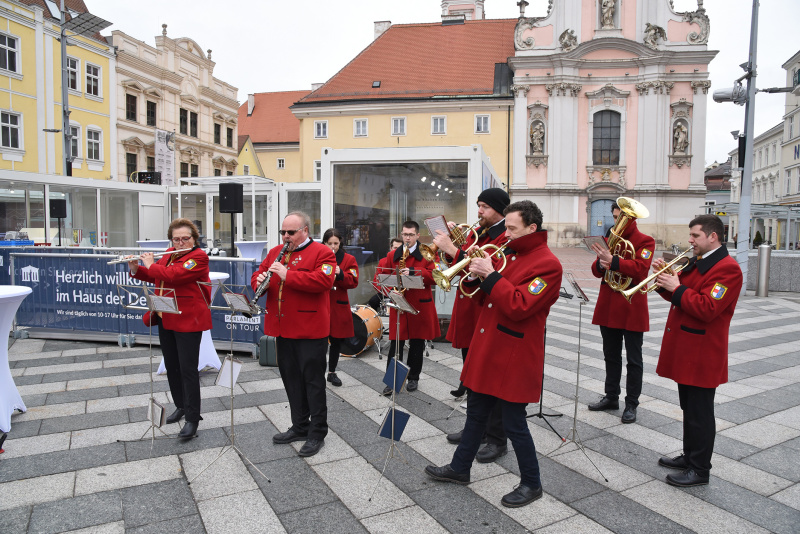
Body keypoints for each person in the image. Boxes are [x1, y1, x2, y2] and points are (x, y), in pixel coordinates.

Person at [425, 201, 563, 508]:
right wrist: (475, 276)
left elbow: (519, 305)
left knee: (514, 423)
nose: (508, 234)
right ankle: (460, 468)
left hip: (514, 353)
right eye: (508, 228)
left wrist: (489, 275)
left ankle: (532, 483)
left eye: (513, 229)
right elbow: (487, 295)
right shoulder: (510, 251)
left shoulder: (548, 264)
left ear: (532, 228)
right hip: (489, 346)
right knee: (475, 414)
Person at [652, 214, 742, 487]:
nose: (690, 241)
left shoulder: (727, 269)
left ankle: (700, 469)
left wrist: (676, 287)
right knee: (689, 408)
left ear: (712, 236)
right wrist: (665, 281)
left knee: (701, 413)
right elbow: (681, 295)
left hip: (703, 353)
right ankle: (689, 456)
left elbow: (706, 308)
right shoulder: (701, 263)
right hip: (687, 347)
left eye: (695, 236)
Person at [433, 187, 510, 463]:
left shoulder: (503, 235)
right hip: (470, 309)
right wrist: (452, 243)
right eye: (478, 206)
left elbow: (480, 267)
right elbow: (460, 262)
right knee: (472, 377)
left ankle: (497, 438)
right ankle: (475, 429)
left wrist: (453, 249)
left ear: (499, 209)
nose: (479, 212)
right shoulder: (482, 231)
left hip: (484, 313)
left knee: (491, 379)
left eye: (484, 207)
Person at [251, 212, 336, 457]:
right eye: (283, 232)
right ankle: (299, 426)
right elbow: (258, 274)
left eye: (291, 232)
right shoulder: (276, 251)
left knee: (313, 382)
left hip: (310, 329)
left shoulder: (322, 252)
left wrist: (288, 275)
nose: (286, 237)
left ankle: (317, 432)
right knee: (291, 380)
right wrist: (261, 281)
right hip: (282, 328)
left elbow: (323, 280)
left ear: (305, 230)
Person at [129, 218, 211, 440]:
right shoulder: (168, 254)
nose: (181, 242)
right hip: (165, 315)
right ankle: (181, 406)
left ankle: (193, 418)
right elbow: (155, 275)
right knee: (172, 366)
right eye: (176, 239)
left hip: (188, 319)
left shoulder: (198, 257)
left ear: (194, 239)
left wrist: (150, 264)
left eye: (186, 238)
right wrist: (137, 268)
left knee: (188, 370)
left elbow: (175, 276)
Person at [587, 202, 654, 424]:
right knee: (610, 355)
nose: (617, 222)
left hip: (631, 305)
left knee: (634, 359)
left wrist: (613, 261)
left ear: (631, 219)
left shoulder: (645, 241)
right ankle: (611, 396)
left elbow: (641, 270)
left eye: (621, 218)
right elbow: (596, 271)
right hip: (608, 304)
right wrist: (601, 264)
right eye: (616, 217)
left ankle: (632, 403)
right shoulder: (609, 239)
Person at [381, 221, 439, 395]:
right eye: (405, 235)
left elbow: (435, 276)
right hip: (400, 304)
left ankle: (413, 377)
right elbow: (386, 275)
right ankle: (392, 381)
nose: (407, 238)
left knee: (416, 344)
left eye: (411, 235)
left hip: (419, 305)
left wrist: (413, 271)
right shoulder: (393, 255)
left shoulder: (427, 254)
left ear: (418, 236)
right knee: (395, 345)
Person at [323, 228, 359, 387]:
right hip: (321, 303)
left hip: (338, 305)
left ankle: (332, 372)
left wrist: (341, 273)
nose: (333, 246)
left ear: (340, 243)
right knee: (320, 341)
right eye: (329, 243)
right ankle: (317, 372)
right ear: (324, 243)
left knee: (336, 341)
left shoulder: (348, 258)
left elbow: (353, 281)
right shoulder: (319, 257)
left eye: (335, 243)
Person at [368, 237, 402, 312]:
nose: (396, 250)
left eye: (399, 248)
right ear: (391, 248)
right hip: (386, 292)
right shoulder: (382, 261)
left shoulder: (405, 261)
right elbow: (375, 281)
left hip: (402, 292)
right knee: (372, 301)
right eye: (395, 248)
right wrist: (388, 292)